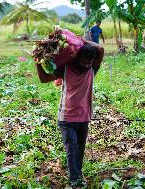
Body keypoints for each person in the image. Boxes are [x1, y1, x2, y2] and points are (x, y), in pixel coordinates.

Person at [36, 40, 104, 188]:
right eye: (84, 62)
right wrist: (37, 62)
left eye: (89, 62)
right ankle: (75, 180)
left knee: (80, 149)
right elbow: (43, 79)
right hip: (66, 118)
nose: (86, 65)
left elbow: (100, 48)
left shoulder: (93, 70)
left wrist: (80, 40)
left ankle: (77, 174)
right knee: (72, 149)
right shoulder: (66, 69)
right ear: (78, 58)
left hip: (84, 117)